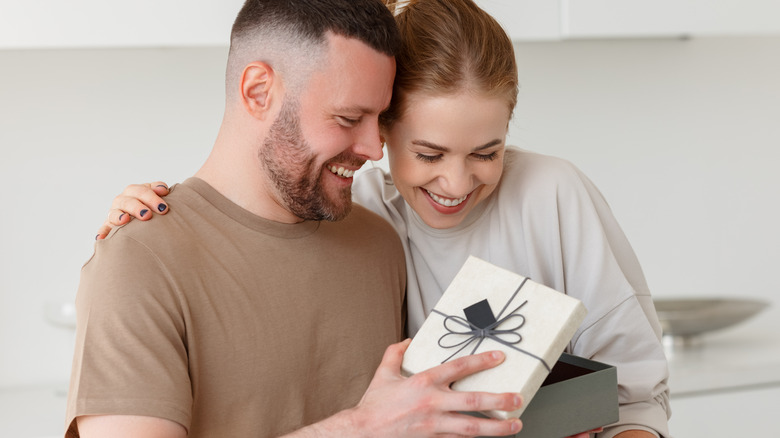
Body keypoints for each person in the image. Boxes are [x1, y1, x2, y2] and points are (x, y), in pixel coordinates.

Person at [99, 0, 672, 437]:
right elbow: (255, 199)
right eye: (427, 154)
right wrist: (165, 223)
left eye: (486, 152)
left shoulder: (550, 195)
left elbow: (637, 394)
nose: (455, 183)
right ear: (387, 131)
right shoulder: (356, 213)